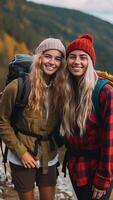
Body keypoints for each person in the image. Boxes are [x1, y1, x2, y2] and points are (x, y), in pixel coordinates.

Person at [0, 37, 65, 200]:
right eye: (48, 56)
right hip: (21, 154)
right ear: (39, 57)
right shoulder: (18, 86)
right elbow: (2, 121)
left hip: (48, 154)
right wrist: (21, 152)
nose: (52, 62)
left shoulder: (62, 90)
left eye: (58, 59)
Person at [61, 34, 113, 200]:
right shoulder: (69, 89)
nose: (77, 62)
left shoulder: (105, 92)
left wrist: (102, 179)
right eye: (72, 57)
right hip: (76, 168)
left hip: (97, 171)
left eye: (83, 57)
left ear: (90, 62)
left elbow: (112, 140)